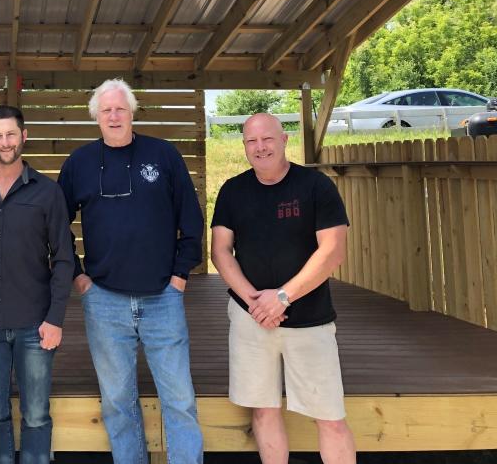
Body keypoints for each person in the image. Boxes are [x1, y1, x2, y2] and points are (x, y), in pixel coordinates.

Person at [58, 78, 204, 464]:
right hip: (104, 300)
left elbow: (191, 218)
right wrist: (78, 276)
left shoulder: (163, 155)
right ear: (96, 117)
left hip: (162, 298)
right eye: (106, 110)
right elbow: (55, 226)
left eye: (120, 108)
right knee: (118, 403)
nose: (114, 115)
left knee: (180, 400)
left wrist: (179, 276)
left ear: (132, 112)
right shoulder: (79, 164)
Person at [210, 113, 356, 464]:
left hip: (309, 320)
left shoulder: (316, 187)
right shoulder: (233, 190)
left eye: (267, 139)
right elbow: (220, 251)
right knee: (263, 411)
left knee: (330, 417)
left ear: (284, 139)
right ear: (244, 145)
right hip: (252, 320)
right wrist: (255, 302)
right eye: (251, 141)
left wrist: (283, 297)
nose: (260, 147)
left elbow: (333, 250)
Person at [0, 105, 74, 464]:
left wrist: (56, 318)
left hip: (35, 324)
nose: (5, 142)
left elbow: (64, 258)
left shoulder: (48, 192)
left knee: (36, 416)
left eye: (11, 134)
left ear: (24, 136)